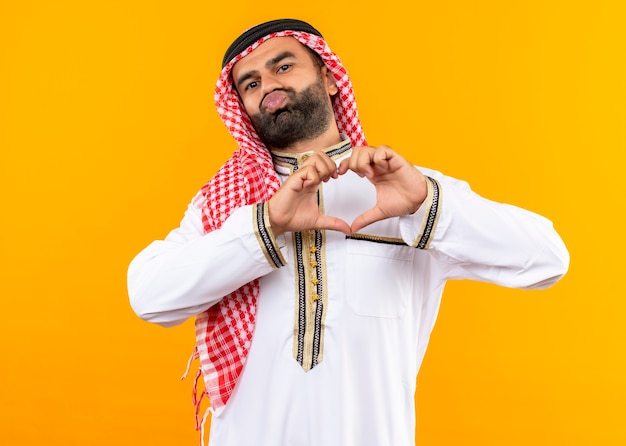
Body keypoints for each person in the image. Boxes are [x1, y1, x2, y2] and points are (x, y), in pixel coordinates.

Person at [127, 18, 569, 446]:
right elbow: (149, 296)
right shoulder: (225, 206)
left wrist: (427, 205)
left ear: (330, 77)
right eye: (251, 83)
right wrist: (266, 226)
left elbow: (548, 259)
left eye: (283, 66)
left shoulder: (406, 190)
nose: (269, 87)